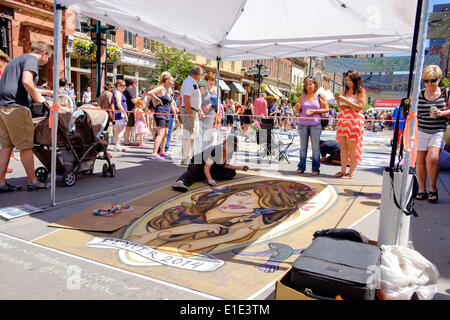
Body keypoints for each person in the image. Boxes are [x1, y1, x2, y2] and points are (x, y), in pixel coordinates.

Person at [131, 177, 316, 254]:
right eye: (243, 194)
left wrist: (232, 234)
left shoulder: (230, 228)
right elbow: (146, 238)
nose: (245, 202)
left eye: (258, 204)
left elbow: (183, 247)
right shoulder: (181, 213)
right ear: (231, 192)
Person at [0, 40, 52, 192]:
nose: (47, 61)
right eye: (48, 58)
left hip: (3, 107)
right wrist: (41, 100)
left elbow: (20, 85)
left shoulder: (15, 61)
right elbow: (27, 82)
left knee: (6, 147)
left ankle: (1, 182)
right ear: (44, 54)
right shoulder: (31, 60)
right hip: (17, 108)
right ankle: (33, 181)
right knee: (26, 146)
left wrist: (47, 92)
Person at [415, 65, 450, 203]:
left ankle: (433, 188)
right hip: (422, 130)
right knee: (421, 160)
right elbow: (411, 111)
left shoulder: (445, 93)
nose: (429, 83)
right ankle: (422, 189)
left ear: (439, 79)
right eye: (426, 80)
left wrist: (443, 113)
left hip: (438, 130)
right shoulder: (419, 94)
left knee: (433, 159)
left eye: (433, 80)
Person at [171, 136, 248, 192]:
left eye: (233, 146)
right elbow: (206, 168)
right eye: (229, 145)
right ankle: (180, 183)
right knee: (194, 173)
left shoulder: (230, 152)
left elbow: (226, 165)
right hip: (199, 163)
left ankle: (203, 177)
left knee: (231, 173)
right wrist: (210, 180)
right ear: (224, 142)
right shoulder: (216, 150)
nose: (230, 147)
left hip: (212, 168)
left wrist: (240, 167)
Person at [334, 70, 367, 179]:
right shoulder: (345, 90)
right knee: (343, 148)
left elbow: (359, 107)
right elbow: (343, 107)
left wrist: (346, 101)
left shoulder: (361, 91)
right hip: (343, 120)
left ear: (355, 80)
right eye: (346, 80)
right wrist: (339, 101)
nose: (348, 82)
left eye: (350, 80)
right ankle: (343, 171)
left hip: (354, 121)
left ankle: (351, 172)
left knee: (353, 148)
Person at [295, 76, 329, 175]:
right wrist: (297, 107)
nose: (309, 86)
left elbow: (326, 109)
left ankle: (315, 168)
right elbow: (299, 111)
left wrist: (315, 111)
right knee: (303, 147)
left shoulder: (319, 96)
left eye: (310, 84)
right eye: (307, 85)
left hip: (315, 124)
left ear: (315, 84)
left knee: (315, 147)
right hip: (302, 124)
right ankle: (301, 167)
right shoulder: (302, 97)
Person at [147, 72, 178, 160]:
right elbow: (149, 93)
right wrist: (157, 99)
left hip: (167, 113)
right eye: (171, 81)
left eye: (173, 81)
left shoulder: (168, 91)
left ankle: (162, 151)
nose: (172, 83)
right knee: (160, 134)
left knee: (165, 134)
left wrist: (175, 116)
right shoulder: (161, 88)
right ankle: (154, 152)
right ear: (166, 81)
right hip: (160, 113)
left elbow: (171, 103)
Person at [180, 66, 205, 166]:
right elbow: (186, 98)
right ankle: (185, 157)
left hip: (193, 110)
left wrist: (198, 109)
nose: (201, 77)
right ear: (198, 74)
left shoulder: (193, 82)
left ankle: (188, 156)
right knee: (188, 135)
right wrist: (190, 112)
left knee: (192, 135)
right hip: (189, 111)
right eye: (201, 75)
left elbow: (193, 99)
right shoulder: (189, 82)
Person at [199, 72, 218, 150]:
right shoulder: (202, 89)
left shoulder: (216, 89)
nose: (212, 82)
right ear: (206, 81)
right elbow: (198, 101)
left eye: (213, 80)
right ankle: (199, 150)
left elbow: (218, 101)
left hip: (211, 113)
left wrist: (211, 104)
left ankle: (206, 150)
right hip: (202, 113)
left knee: (209, 132)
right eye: (210, 80)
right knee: (201, 132)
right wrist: (200, 110)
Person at [112, 79, 128, 152]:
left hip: (118, 113)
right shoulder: (117, 93)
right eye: (123, 85)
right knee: (122, 130)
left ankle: (117, 145)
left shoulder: (117, 92)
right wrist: (125, 113)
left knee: (118, 130)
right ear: (118, 86)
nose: (124, 87)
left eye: (125, 85)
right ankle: (117, 145)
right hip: (120, 113)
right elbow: (119, 104)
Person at [123, 79, 138, 146]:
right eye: (136, 83)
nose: (136, 85)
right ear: (133, 83)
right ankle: (126, 141)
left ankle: (127, 140)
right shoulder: (130, 90)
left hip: (128, 110)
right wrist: (141, 104)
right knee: (128, 127)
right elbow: (133, 100)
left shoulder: (127, 89)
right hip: (130, 110)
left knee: (129, 127)